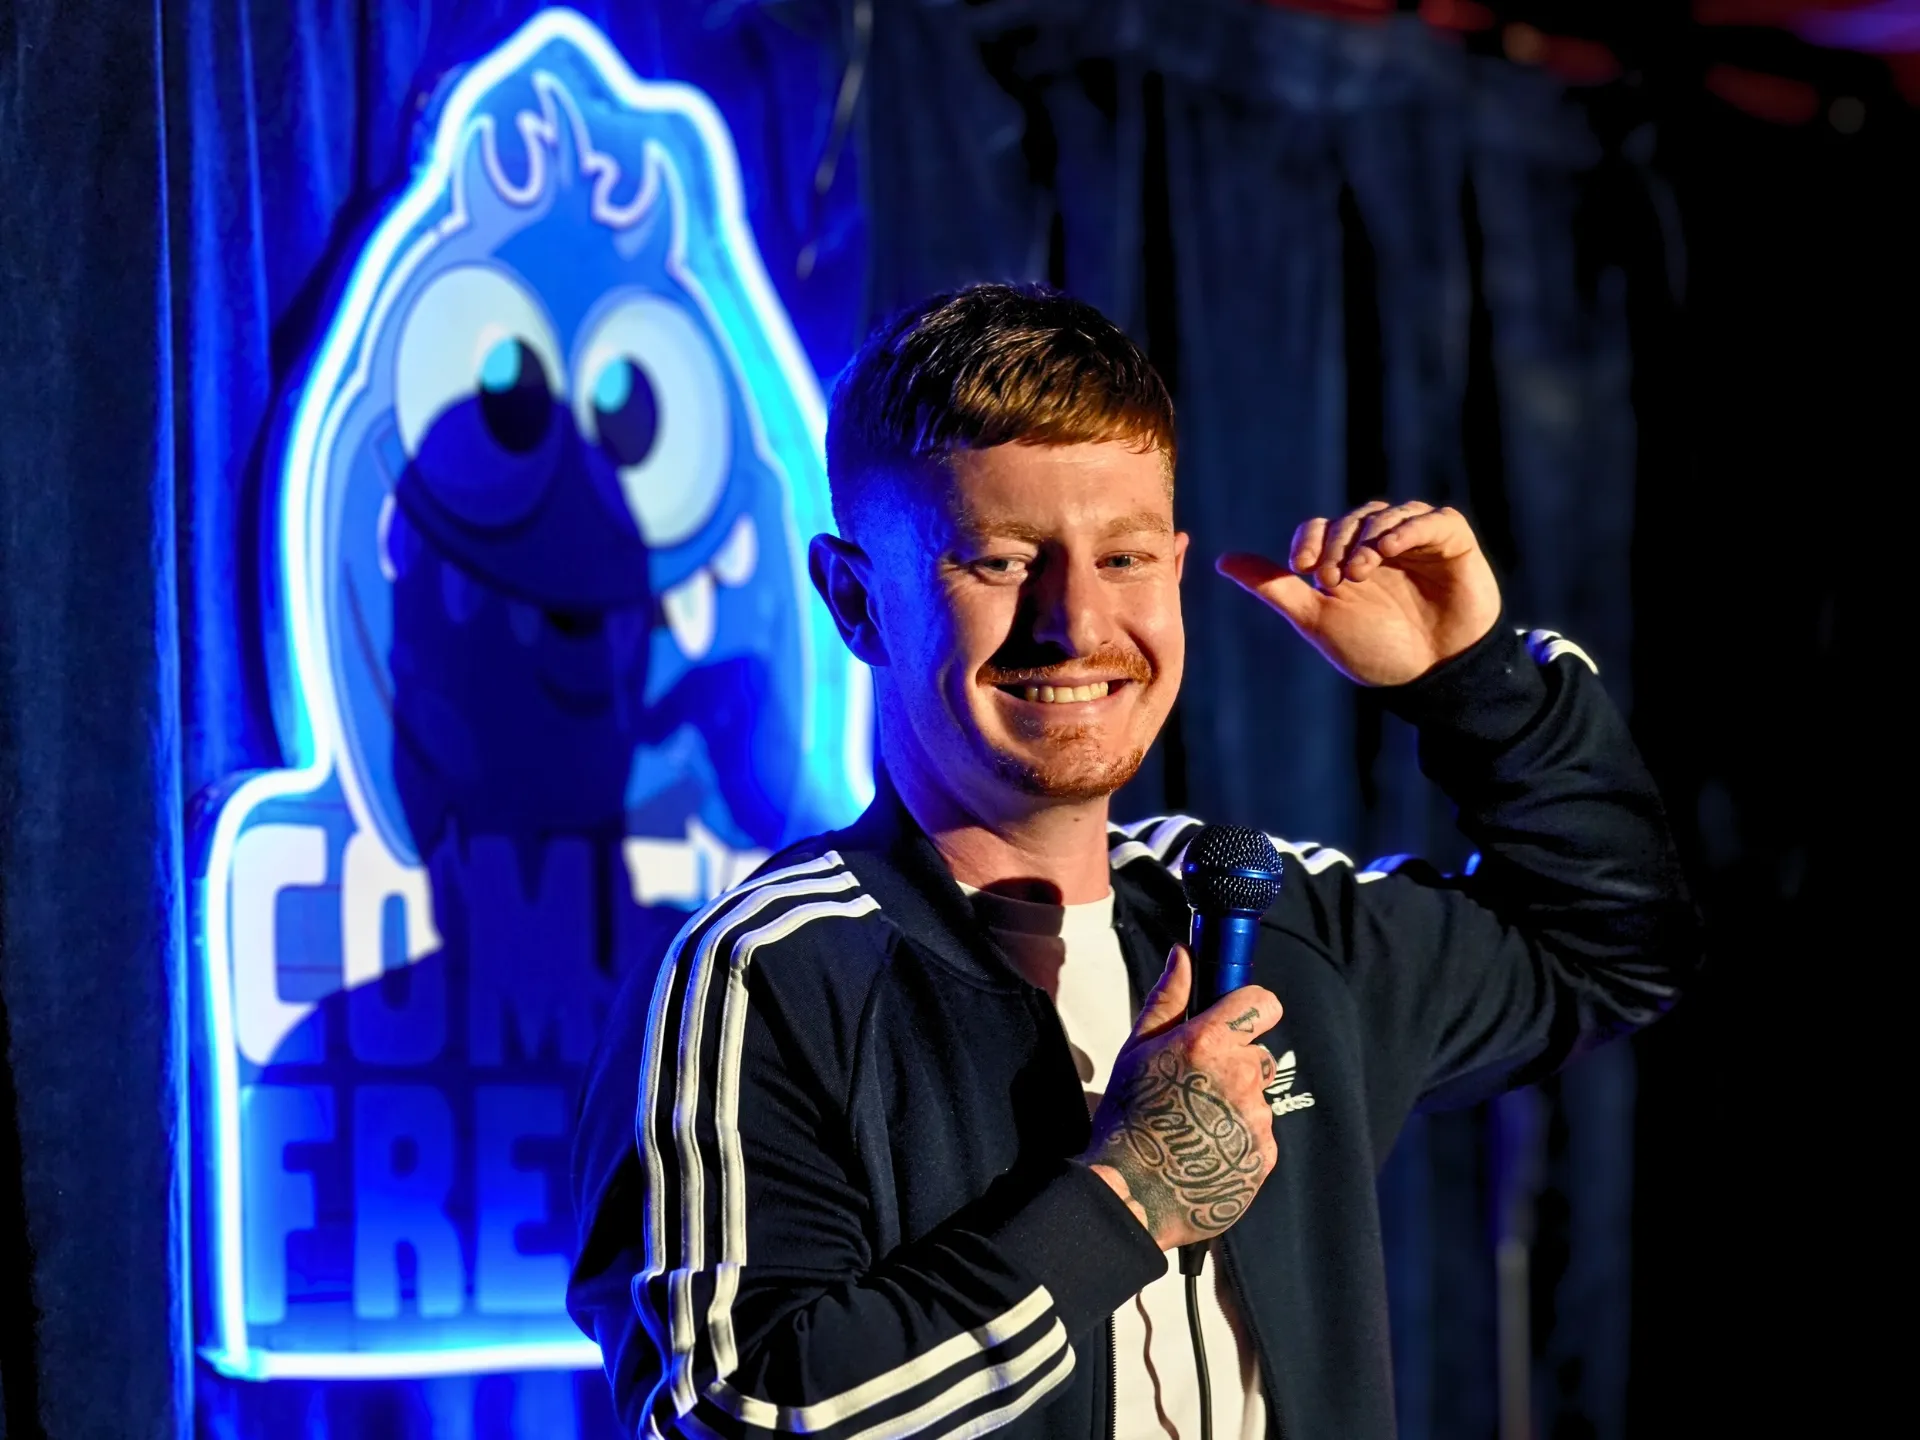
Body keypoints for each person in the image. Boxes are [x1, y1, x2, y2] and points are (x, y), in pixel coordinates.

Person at [567, 283, 1699, 1440]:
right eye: (1001, 561)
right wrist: (1125, 1199)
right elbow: (736, 1411)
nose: (1078, 623)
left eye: (1125, 557)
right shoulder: (765, 977)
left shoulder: (1274, 922)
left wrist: (1473, 686)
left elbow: (1610, 949)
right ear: (858, 601)